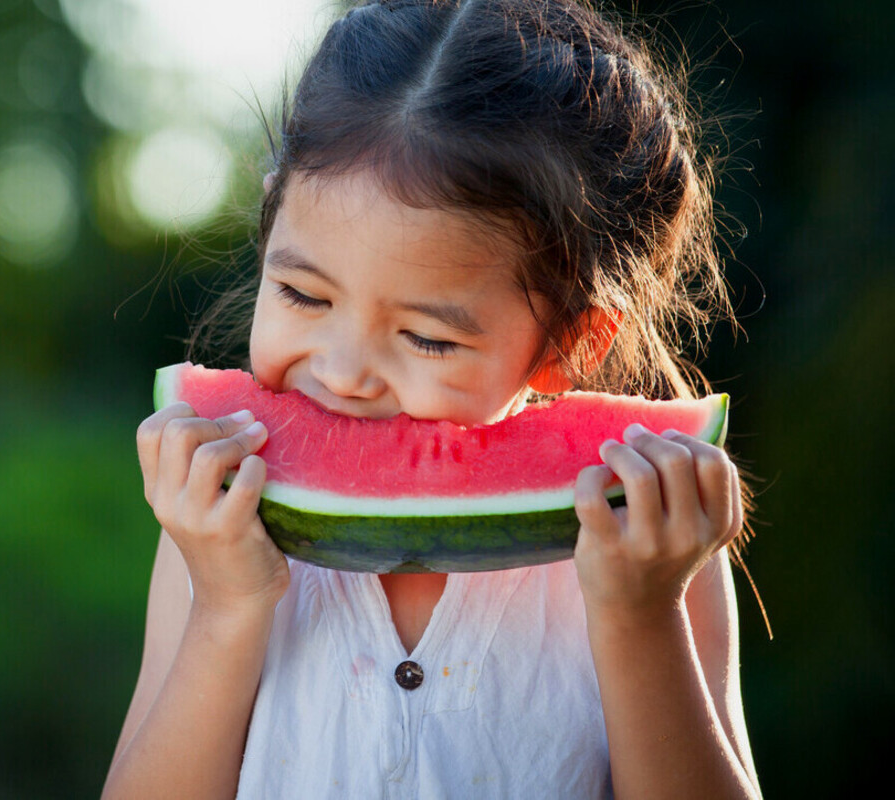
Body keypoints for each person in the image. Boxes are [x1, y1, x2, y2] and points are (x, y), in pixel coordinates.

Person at [104, 0, 761, 797]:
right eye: (303, 296)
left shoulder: (654, 544)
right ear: (271, 218)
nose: (344, 372)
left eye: (428, 339)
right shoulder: (212, 525)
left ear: (570, 343)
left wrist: (638, 616)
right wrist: (226, 606)